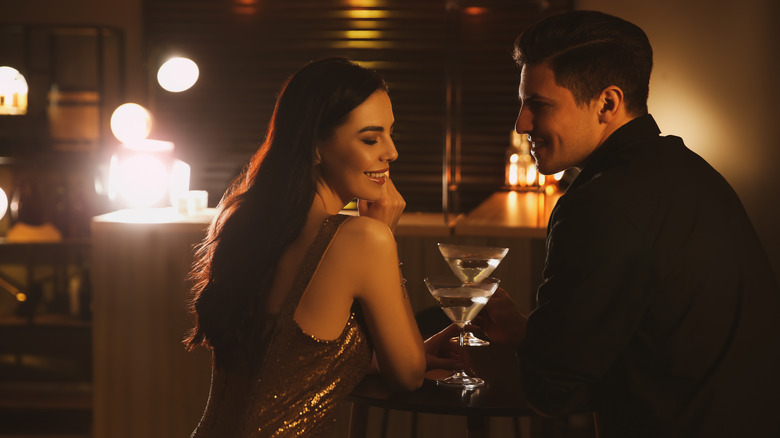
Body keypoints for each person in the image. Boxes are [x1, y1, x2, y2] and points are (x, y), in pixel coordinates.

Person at [465, 10, 780, 437]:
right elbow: (643, 339)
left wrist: (472, 355)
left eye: (538, 105)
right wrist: (531, 334)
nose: (520, 124)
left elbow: (553, 392)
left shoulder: (600, 205)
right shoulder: (689, 171)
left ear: (607, 104)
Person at [183, 57, 456, 437]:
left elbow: (287, 362)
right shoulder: (364, 238)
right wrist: (384, 237)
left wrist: (401, 351)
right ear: (315, 146)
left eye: (391, 134)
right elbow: (408, 376)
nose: (391, 152)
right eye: (370, 139)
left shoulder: (242, 220)